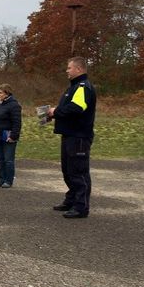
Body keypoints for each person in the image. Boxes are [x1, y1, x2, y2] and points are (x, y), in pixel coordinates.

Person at [47, 57, 96, 218]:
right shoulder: (73, 88)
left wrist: (56, 111)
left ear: (79, 69)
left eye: (69, 68)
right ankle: (72, 200)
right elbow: (68, 109)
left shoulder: (83, 87)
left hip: (79, 137)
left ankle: (81, 207)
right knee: (68, 171)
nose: (67, 71)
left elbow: (76, 108)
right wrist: (52, 114)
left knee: (78, 172)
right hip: (69, 135)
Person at [0, 83, 22, 188]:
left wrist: (13, 136)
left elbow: (17, 122)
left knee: (8, 160)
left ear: (7, 93)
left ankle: (8, 181)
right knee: (0, 159)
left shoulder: (14, 105)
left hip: (8, 135)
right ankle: (1, 179)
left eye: (1, 92)